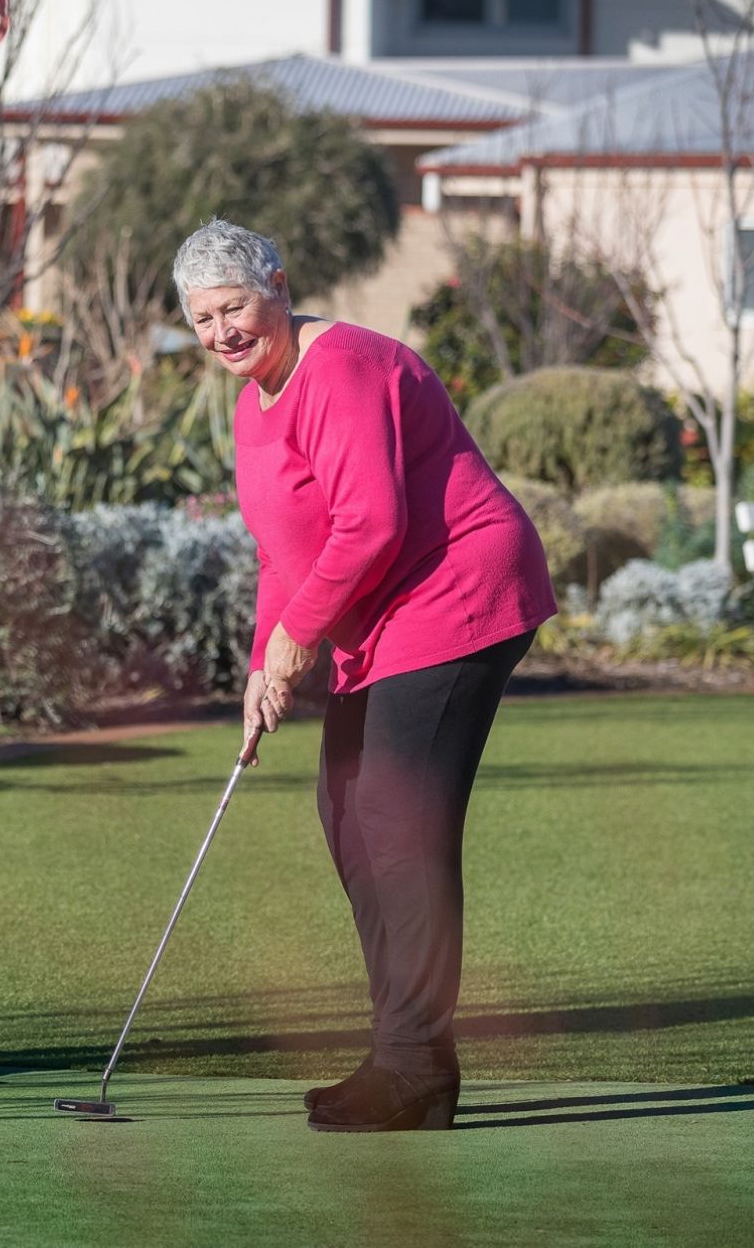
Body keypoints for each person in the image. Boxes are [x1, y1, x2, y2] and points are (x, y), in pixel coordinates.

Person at [174, 219, 556, 1132]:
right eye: (201, 320)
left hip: (456, 590)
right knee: (346, 814)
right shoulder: (250, 398)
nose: (222, 332)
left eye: (233, 307)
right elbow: (282, 551)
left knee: (395, 817)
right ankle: (401, 1053)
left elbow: (373, 523)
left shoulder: (338, 366)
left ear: (278, 282)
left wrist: (302, 639)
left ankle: (418, 1072)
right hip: (383, 618)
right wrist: (268, 664)